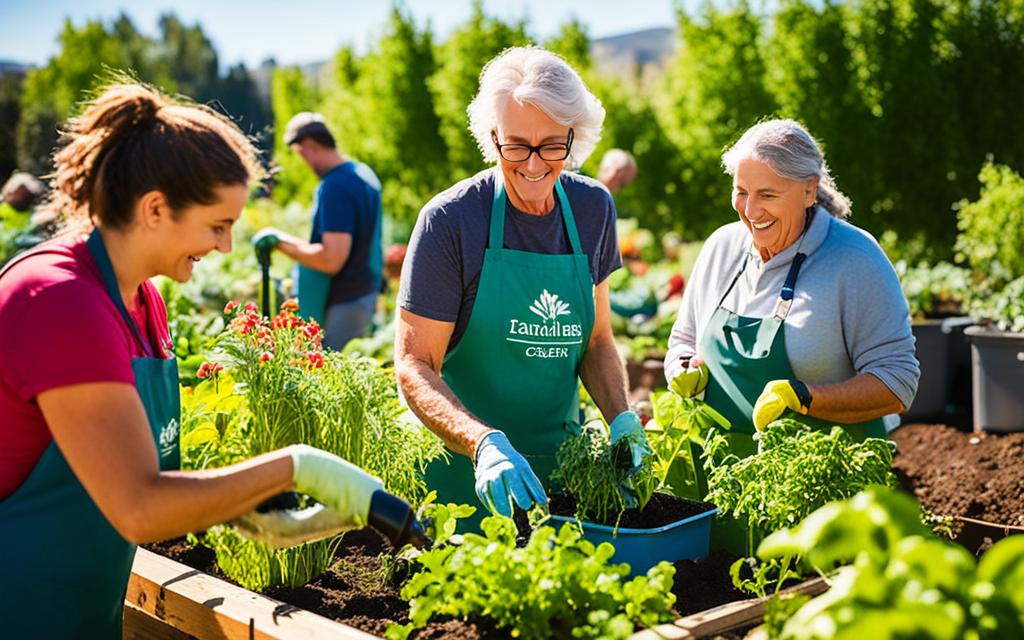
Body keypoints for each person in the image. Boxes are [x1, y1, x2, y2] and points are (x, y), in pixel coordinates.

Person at [0, 82, 421, 638]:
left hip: (82, 607)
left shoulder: (142, 301)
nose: (225, 247)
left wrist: (244, 506)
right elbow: (138, 507)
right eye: (217, 225)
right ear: (155, 208)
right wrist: (296, 467)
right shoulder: (59, 298)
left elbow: (145, 473)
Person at [394, 46, 651, 524]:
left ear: (576, 138)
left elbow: (596, 341)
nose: (534, 165)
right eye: (516, 145)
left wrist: (621, 419)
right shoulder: (451, 221)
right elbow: (414, 364)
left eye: (552, 145)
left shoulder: (593, 208)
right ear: (492, 138)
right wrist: (482, 443)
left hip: (563, 478)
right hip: (464, 480)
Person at [664, 119, 919, 456]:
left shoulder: (854, 258)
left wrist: (805, 397)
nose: (751, 211)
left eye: (767, 195)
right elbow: (682, 340)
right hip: (724, 480)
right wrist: (682, 368)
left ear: (809, 190)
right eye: (741, 192)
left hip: (824, 481)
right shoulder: (720, 248)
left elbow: (897, 382)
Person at [253, 113, 383, 350]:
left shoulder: (336, 186)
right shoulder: (363, 174)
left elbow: (331, 259)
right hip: (364, 294)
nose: (305, 162)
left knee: (332, 379)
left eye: (302, 154)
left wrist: (280, 243)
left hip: (344, 302)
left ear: (310, 145)